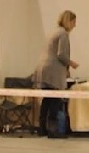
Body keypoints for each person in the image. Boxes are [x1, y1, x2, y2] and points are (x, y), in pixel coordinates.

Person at [33, 10, 79, 138]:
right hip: (53, 71)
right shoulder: (63, 34)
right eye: (74, 22)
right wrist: (71, 63)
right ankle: (53, 131)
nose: (75, 25)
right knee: (54, 100)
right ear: (68, 21)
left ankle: (42, 129)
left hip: (44, 69)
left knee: (46, 100)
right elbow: (61, 55)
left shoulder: (54, 32)